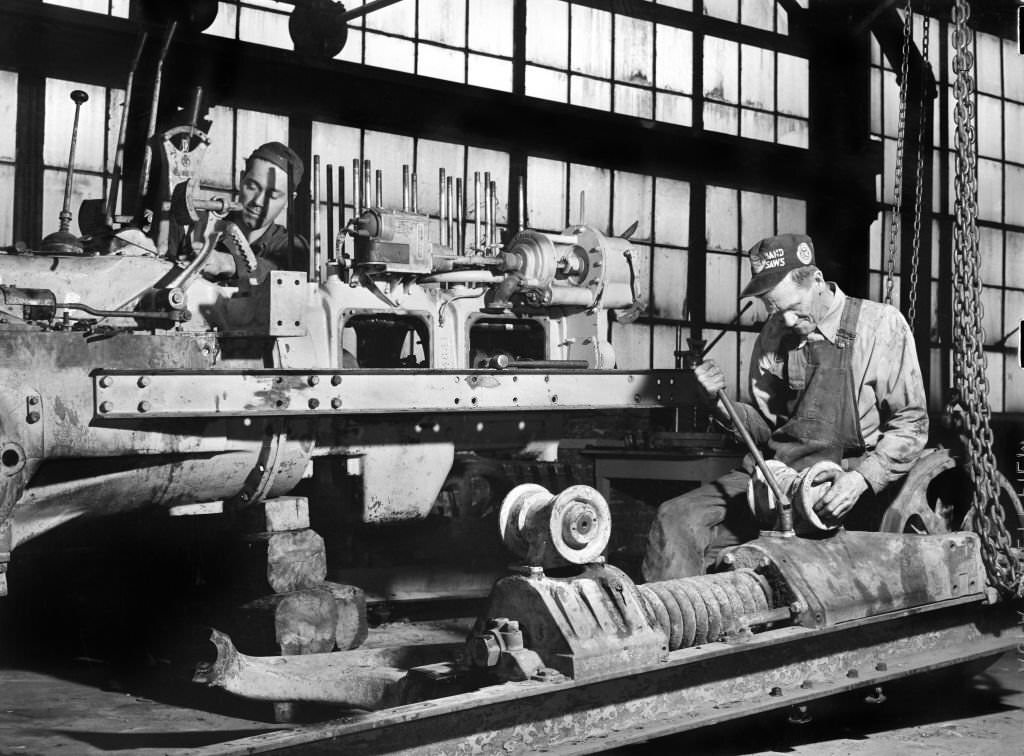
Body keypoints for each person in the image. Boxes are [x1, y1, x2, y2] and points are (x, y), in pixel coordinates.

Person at [642, 233, 929, 581]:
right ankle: (681, 625)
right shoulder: (775, 334)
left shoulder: (880, 326)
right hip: (776, 473)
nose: (786, 321)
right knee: (675, 517)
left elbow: (911, 424)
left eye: (792, 308)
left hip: (840, 479)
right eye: (775, 309)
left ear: (817, 280)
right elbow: (765, 427)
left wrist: (860, 480)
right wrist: (718, 403)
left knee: (792, 566)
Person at [200, 141, 309, 281]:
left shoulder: (292, 247)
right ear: (241, 179)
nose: (258, 201)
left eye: (273, 195)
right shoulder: (202, 228)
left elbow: (285, 277)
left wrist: (230, 263)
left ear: (290, 200)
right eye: (252, 187)